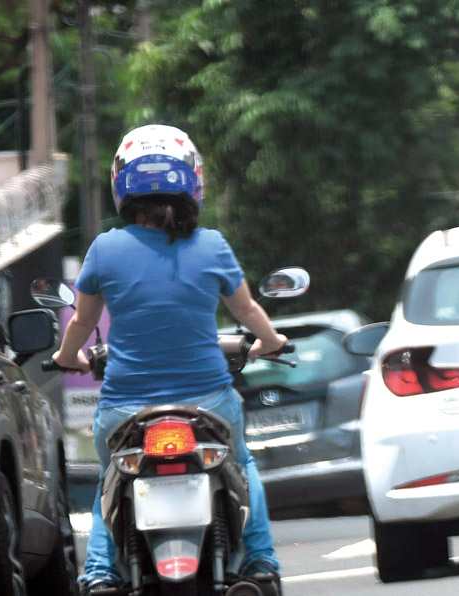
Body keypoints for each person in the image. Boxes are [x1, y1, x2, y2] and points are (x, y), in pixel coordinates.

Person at [56, 124, 289, 594]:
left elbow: (80, 324)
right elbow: (247, 310)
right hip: (208, 403)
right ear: (193, 182)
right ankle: (261, 563)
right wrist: (273, 340)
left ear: (123, 185)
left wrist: (68, 356)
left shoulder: (104, 249)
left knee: (111, 477)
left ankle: (100, 574)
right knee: (242, 463)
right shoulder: (212, 245)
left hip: (125, 408)